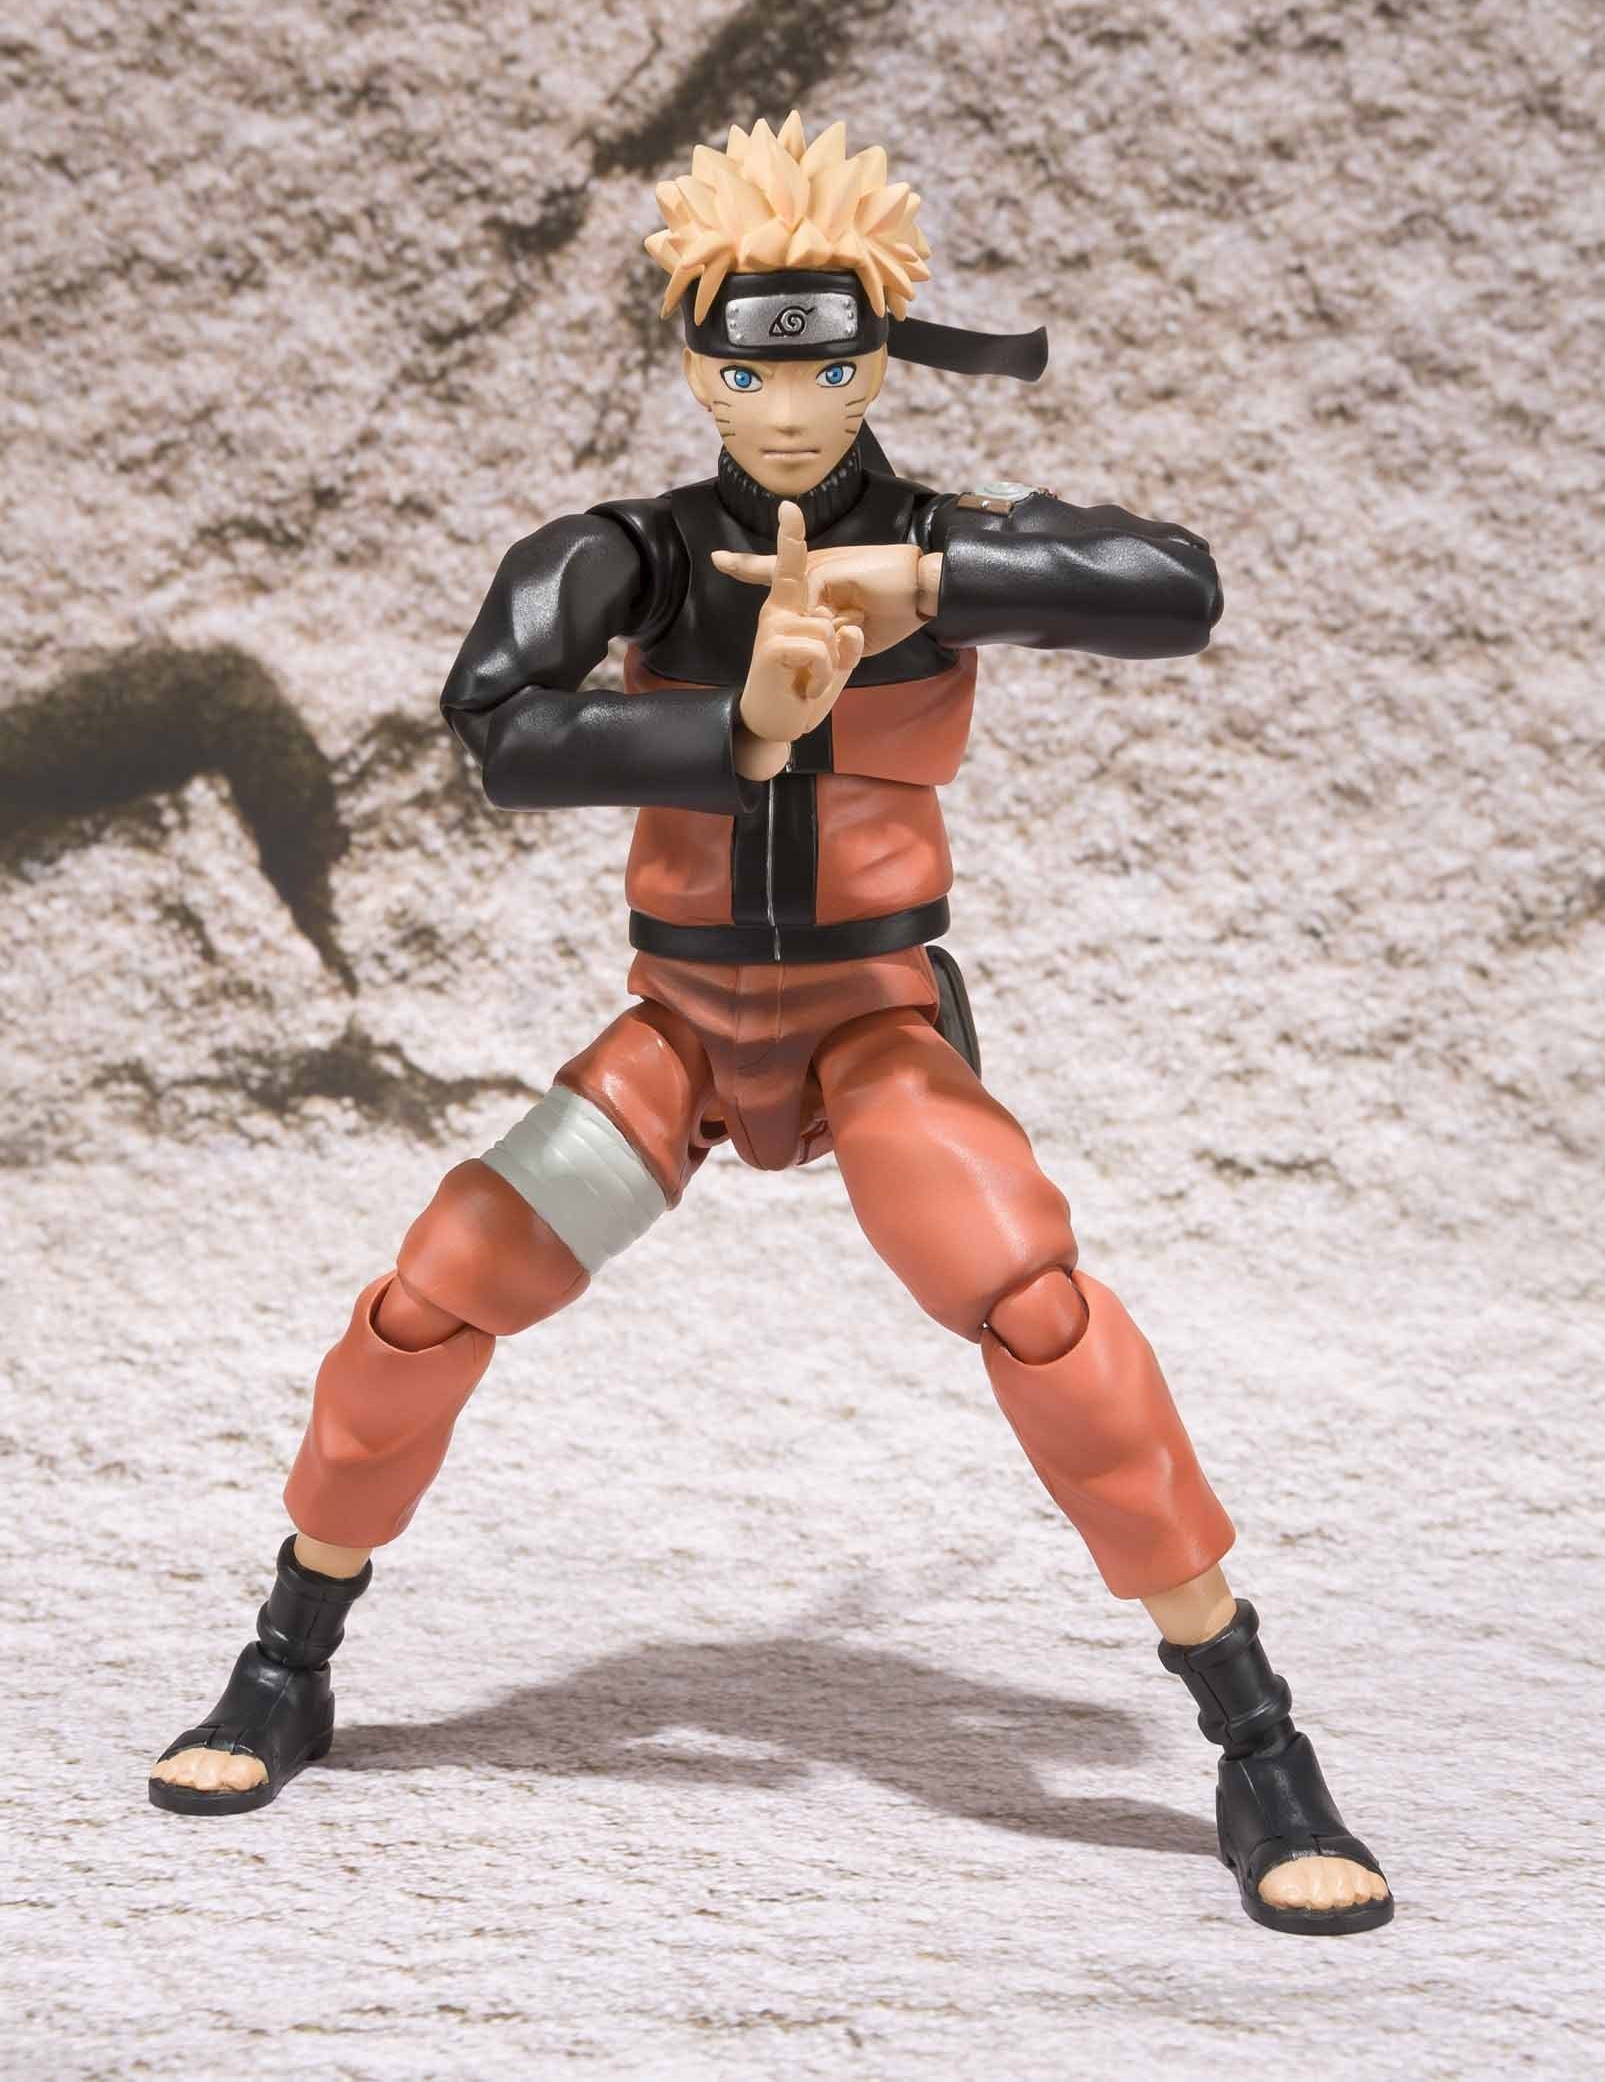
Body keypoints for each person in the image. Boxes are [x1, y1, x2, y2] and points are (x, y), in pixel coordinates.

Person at [150, 112, 1392, 1937]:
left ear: (878, 357)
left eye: (820, 366)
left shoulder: (941, 539)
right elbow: (494, 722)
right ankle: (286, 1659)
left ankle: (1258, 1744)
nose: (784, 407)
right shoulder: (639, 555)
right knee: (430, 1293)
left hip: (869, 1028)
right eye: (742, 369)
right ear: (693, 364)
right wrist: (738, 727)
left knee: (1037, 1307)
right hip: (677, 1035)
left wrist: (931, 585)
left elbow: (1174, 588)